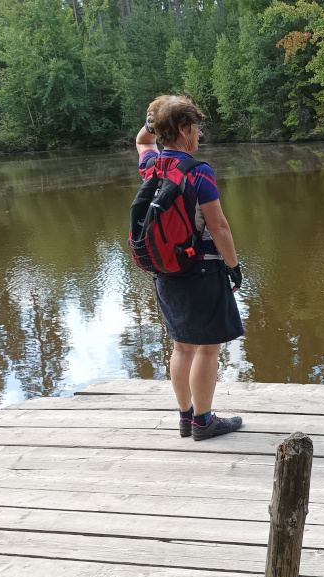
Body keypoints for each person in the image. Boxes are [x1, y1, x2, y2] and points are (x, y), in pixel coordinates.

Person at [135, 95, 244, 441]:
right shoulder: (199, 172)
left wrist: (156, 119)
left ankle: (186, 418)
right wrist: (234, 267)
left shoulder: (151, 164)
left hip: (165, 270)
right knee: (207, 348)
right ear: (182, 130)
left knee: (182, 346)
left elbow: (142, 139)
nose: (200, 136)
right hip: (202, 269)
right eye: (196, 128)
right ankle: (203, 421)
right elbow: (219, 226)